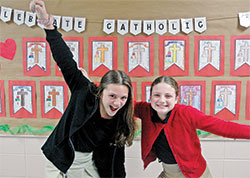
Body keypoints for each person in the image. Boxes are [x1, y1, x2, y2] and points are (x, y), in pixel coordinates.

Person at [29, 0, 135, 177]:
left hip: (88, 162)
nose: (117, 103)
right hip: (61, 157)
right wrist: (48, 25)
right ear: (100, 92)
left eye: (123, 98)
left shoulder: (121, 119)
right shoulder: (84, 91)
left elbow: (117, 161)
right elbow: (66, 61)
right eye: (112, 96)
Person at [134, 76, 250, 178]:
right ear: (150, 97)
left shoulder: (186, 113)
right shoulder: (145, 110)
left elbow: (224, 127)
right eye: (157, 95)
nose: (162, 100)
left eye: (168, 96)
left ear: (176, 99)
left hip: (195, 174)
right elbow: (123, 103)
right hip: (169, 173)